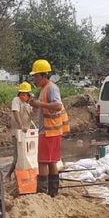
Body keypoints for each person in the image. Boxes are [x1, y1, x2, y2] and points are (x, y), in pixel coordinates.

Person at [27, 59, 70, 197]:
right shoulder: (44, 89)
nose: (34, 79)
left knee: (43, 162)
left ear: (41, 75)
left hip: (48, 131)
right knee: (51, 162)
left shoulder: (51, 88)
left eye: (35, 76)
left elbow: (57, 105)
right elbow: (42, 107)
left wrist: (39, 104)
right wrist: (36, 105)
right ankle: (53, 192)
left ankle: (43, 193)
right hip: (52, 131)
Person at [6, 81, 33, 180]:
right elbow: (16, 113)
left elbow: (32, 116)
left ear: (29, 95)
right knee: (17, 156)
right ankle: (8, 175)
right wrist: (21, 126)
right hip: (17, 133)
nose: (23, 96)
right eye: (21, 94)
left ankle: (22, 175)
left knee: (28, 155)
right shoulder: (16, 100)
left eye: (25, 94)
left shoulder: (28, 104)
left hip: (27, 134)